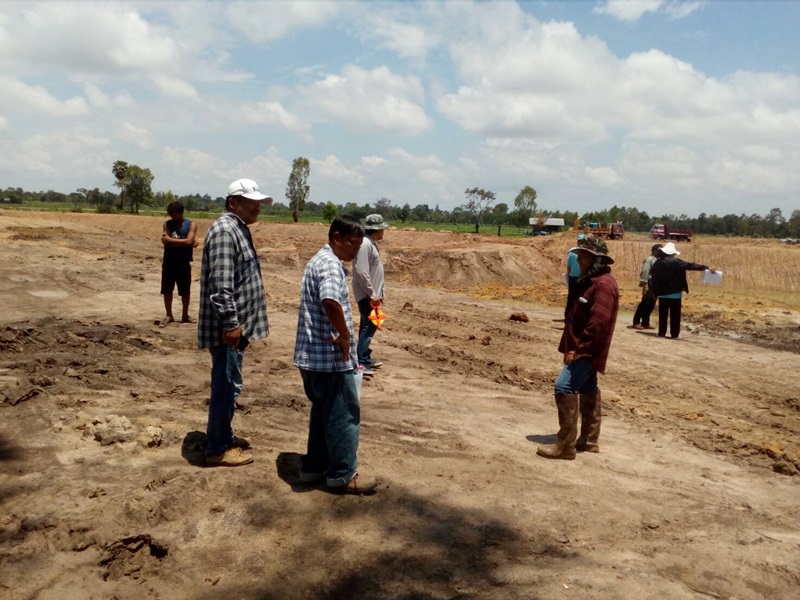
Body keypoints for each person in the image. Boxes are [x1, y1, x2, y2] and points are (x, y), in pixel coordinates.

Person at [293, 215, 378, 495]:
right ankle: (343, 475)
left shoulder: (318, 261)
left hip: (312, 358)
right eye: (352, 243)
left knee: (322, 413)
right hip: (330, 358)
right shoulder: (330, 265)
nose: (355, 250)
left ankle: (313, 467)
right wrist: (344, 335)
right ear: (336, 237)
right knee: (343, 416)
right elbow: (329, 301)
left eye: (359, 245)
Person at [198, 178, 272, 467]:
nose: (258, 208)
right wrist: (231, 323)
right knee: (226, 385)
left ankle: (223, 435)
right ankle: (217, 447)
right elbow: (221, 286)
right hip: (227, 329)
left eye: (259, 203)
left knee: (230, 382)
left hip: (237, 328)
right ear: (233, 203)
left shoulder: (237, 228)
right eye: (252, 202)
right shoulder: (225, 231)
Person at [538, 235, 619, 460]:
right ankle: (589, 440)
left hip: (587, 350)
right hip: (587, 348)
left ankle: (565, 446)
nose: (578, 260)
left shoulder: (602, 285)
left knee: (564, 387)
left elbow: (598, 323)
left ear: (596, 259)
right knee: (588, 387)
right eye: (579, 255)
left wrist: (580, 349)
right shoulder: (593, 281)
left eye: (583, 256)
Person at [649, 242, 714, 339]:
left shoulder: (657, 263)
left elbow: (654, 279)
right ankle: (674, 334)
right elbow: (690, 266)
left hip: (662, 293)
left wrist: (654, 292)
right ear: (672, 253)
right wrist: (706, 268)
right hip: (675, 293)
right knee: (675, 315)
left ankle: (661, 333)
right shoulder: (676, 262)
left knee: (663, 314)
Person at [352, 213, 388, 375]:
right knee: (369, 326)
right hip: (367, 295)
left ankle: (364, 356)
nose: (383, 231)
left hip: (371, 294)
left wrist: (380, 292)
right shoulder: (366, 245)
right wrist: (372, 293)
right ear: (377, 229)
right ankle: (361, 361)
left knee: (367, 325)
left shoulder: (369, 243)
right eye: (382, 229)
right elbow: (361, 272)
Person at [160, 201, 198, 323]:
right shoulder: (167, 224)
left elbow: (188, 241)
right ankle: (169, 315)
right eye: (171, 214)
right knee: (167, 289)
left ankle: (185, 315)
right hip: (169, 261)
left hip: (183, 262)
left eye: (175, 214)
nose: (173, 217)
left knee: (185, 291)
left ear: (181, 213)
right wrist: (186, 242)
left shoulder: (191, 224)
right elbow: (166, 241)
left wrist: (172, 241)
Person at [630, 244, 662, 330]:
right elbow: (645, 271)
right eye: (659, 251)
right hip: (649, 284)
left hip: (655, 285)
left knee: (651, 304)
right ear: (655, 251)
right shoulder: (649, 260)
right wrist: (645, 285)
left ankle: (645, 322)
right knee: (645, 303)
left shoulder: (658, 260)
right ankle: (636, 322)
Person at [564, 234, 586, 319]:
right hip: (582, 278)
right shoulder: (586, 254)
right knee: (580, 298)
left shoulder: (572, 253)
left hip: (572, 278)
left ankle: (567, 316)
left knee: (571, 298)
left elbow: (568, 267)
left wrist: (568, 277)